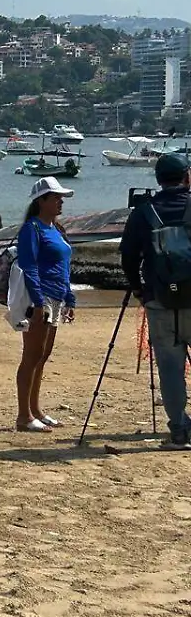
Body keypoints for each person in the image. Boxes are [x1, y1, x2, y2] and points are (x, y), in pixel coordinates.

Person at [120, 153, 191, 449]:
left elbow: (127, 256)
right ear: (186, 176)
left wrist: (139, 289)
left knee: (170, 366)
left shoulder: (143, 212)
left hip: (160, 299)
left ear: (159, 180)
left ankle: (179, 431)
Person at [14, 177, 77, 433]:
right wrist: (38, 302)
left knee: (43, 355)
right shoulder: (32, 229)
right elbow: (28, 266)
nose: (60, 201)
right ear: (41, 201)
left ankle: (36, 409)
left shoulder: (57, 229)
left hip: (56, 298)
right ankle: (23, 416)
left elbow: (64, 268)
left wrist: (69, 297)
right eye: (55, 197)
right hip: (38, 298)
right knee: (31, 356)